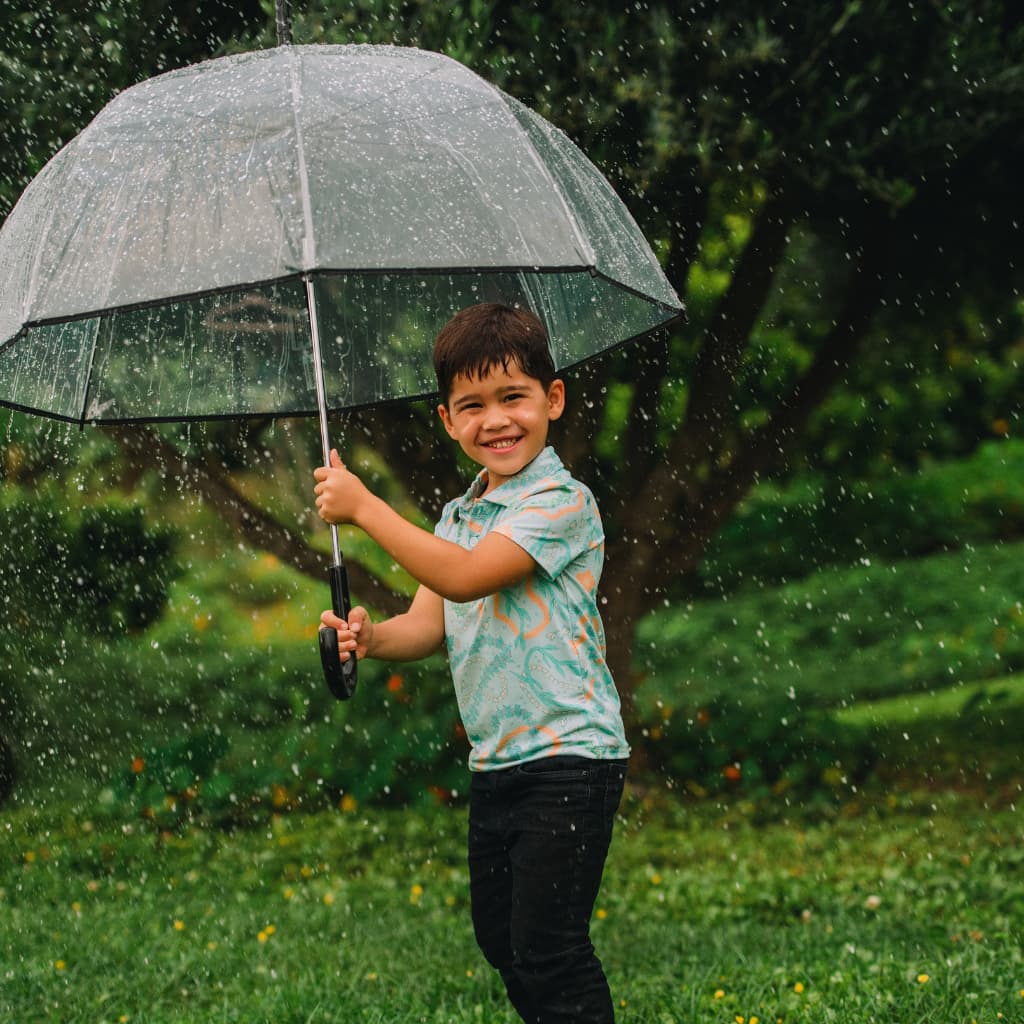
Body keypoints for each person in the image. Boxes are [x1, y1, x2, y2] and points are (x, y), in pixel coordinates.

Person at [313, 302, 630, 1024]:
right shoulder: (460, 516)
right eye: (472, 406)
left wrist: (364, 508)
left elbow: (464, 579)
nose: (496, 420)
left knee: (549, 948)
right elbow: (429, 624)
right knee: (504, 944)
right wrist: (370, 637)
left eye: (513, 397)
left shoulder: (560, 501)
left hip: (570, 755)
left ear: (552, 400)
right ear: (447, 421)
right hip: (499, 762)